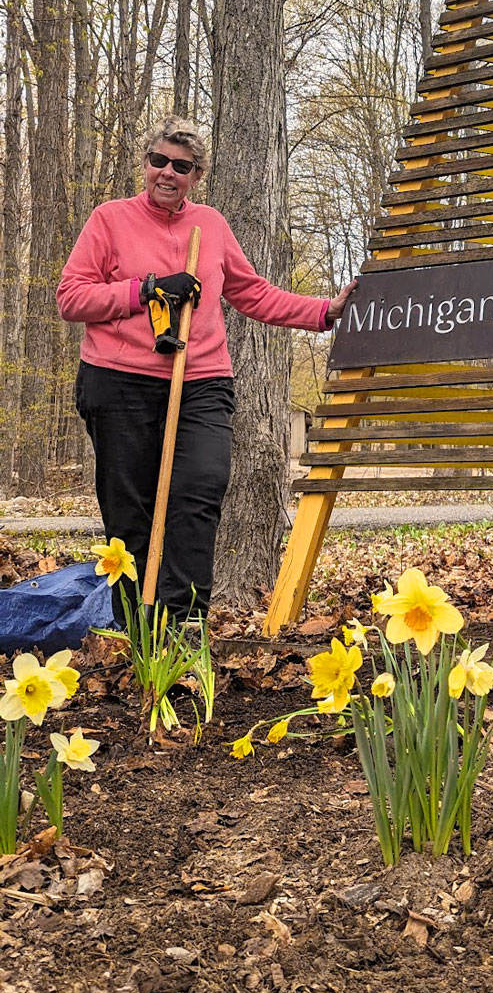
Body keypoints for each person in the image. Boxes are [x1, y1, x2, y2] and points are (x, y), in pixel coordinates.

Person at [57, 116, 356, 619]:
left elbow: (252, 293)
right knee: (131, 513)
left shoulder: (210, 226)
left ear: (197, 175)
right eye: (158, 161)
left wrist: (324, 310)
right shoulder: (109, 219)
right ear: (146, 164)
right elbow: (71, 298)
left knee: (200, 490)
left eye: (182, 166)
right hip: (118, 381)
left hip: (201, 380)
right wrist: (144, 290)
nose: (167, 173)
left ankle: (181, 626)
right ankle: (140, 633)